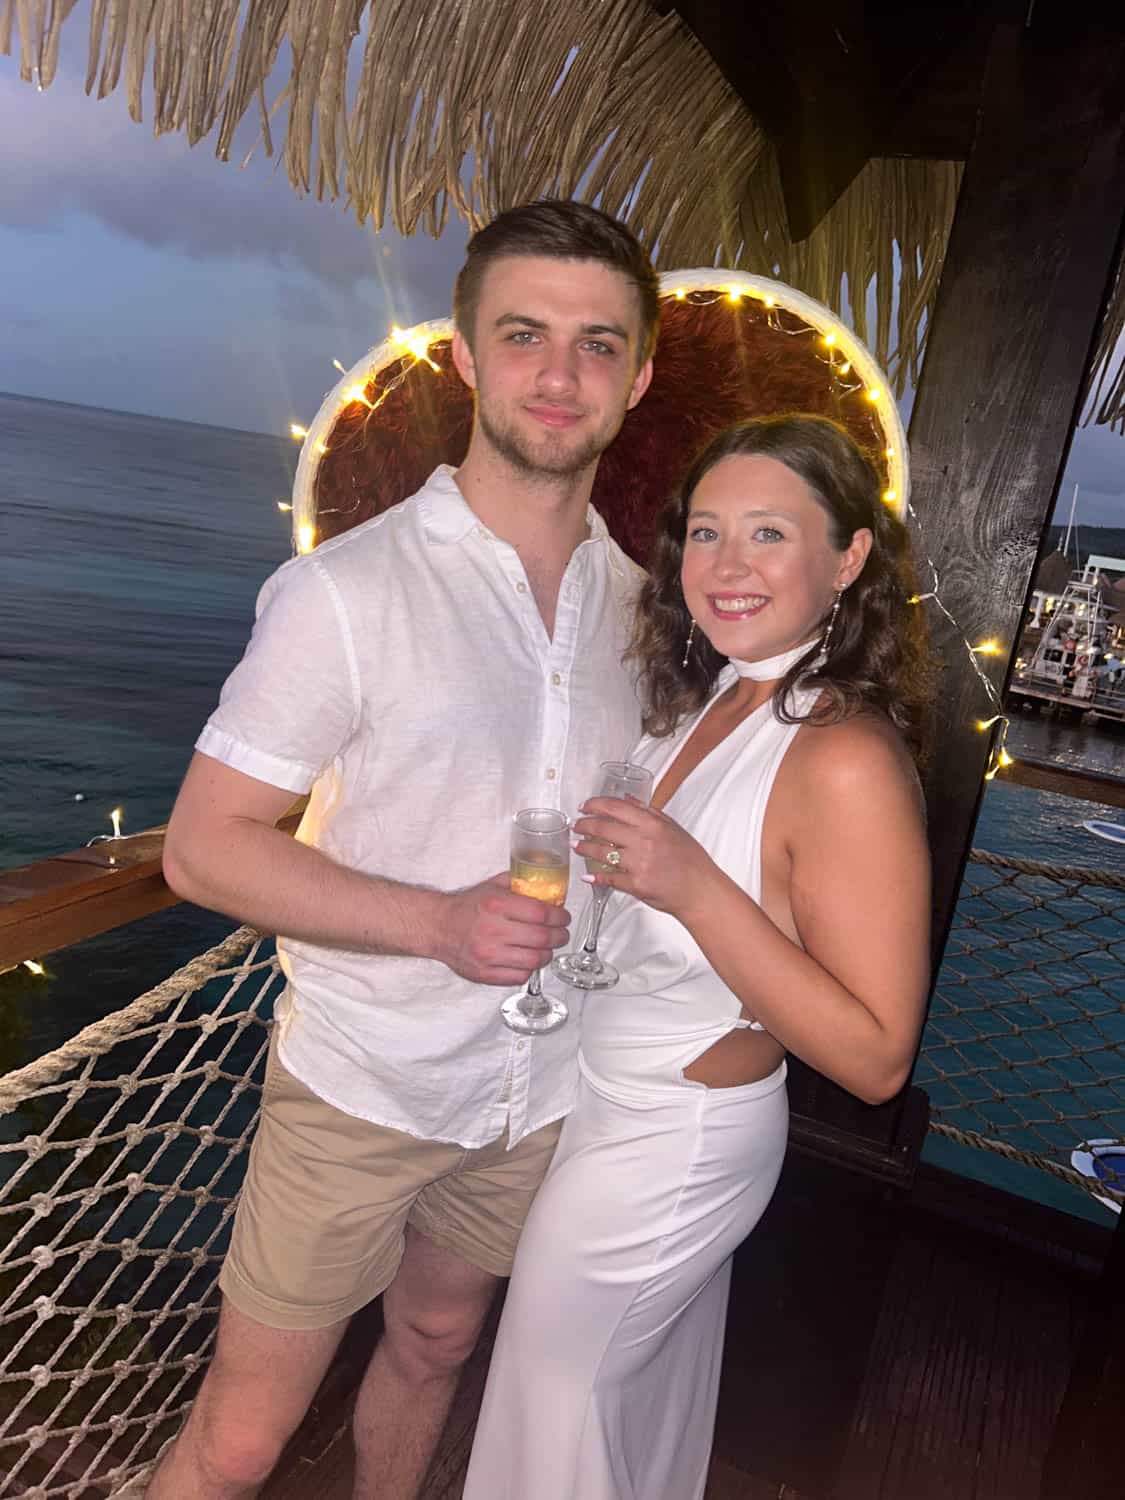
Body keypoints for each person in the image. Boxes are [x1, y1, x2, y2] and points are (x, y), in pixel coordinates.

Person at [151, 199, 657, 1500]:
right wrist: (439, 923)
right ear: (466, 357)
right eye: (526, 334)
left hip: (537, 1095)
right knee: (243, 1440)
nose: (561, 373)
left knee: (436, 1343)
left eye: (598, 343)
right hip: (361, 1090)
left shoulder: (647, 614)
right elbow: (205, 851)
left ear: (639, 375)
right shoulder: (349, 594)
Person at [463, 414, 934, 1500]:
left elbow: (874, 1059)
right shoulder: (725, 693)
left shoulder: (845, 755)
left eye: (769, 534)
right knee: (629, 1414)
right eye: (706, 533)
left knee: (552, 1417)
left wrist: (691, 886)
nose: (724, 567)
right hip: (609, 1101)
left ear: (848, 556)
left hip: (673, 1146)